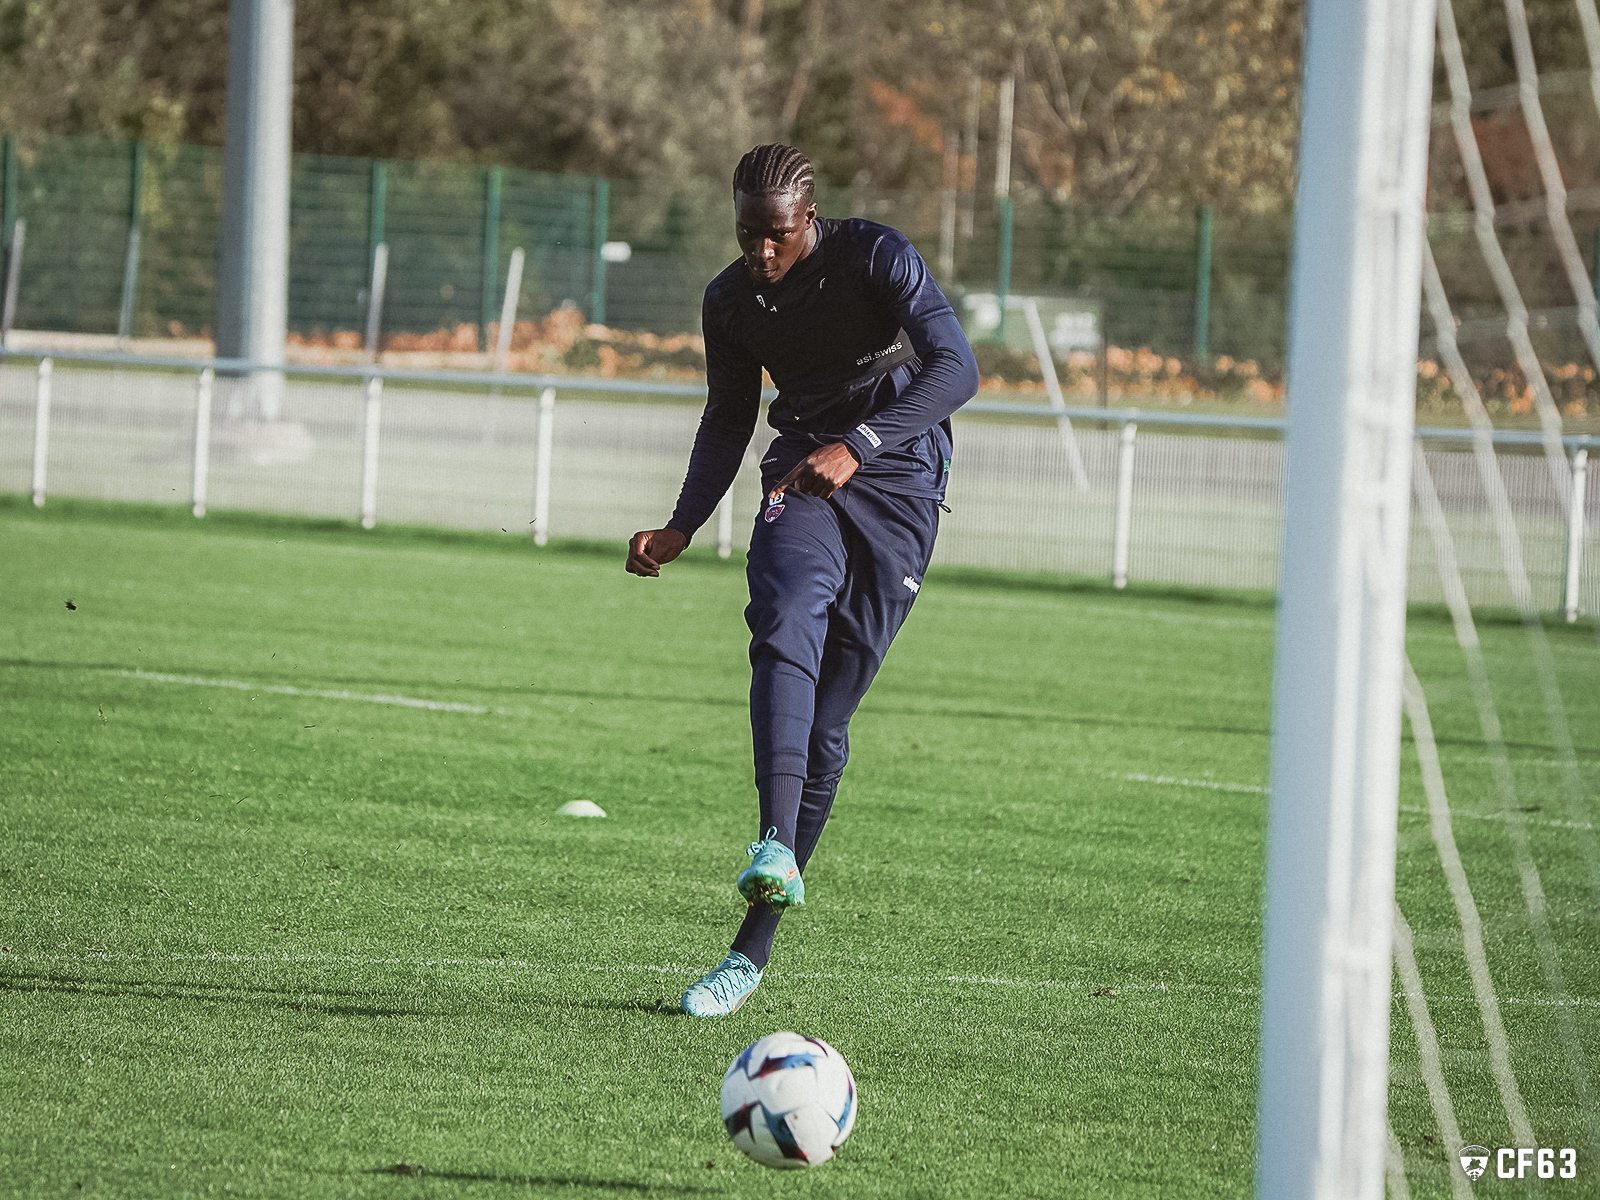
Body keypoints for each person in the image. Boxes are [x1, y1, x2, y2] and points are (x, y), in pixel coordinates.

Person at [626, 143, 979, 1017]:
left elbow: (957, 369)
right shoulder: (729, 300)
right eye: (748, 236)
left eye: (776, 236)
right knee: (783, 615)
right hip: (801, 478)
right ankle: (773, 849)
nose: (762, 254)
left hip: (900, 483)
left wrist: (861, 445)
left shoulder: (876, 255)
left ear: (808, 218)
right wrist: (681, 525)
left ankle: (752, 949)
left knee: (828, 729)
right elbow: (726, 417)